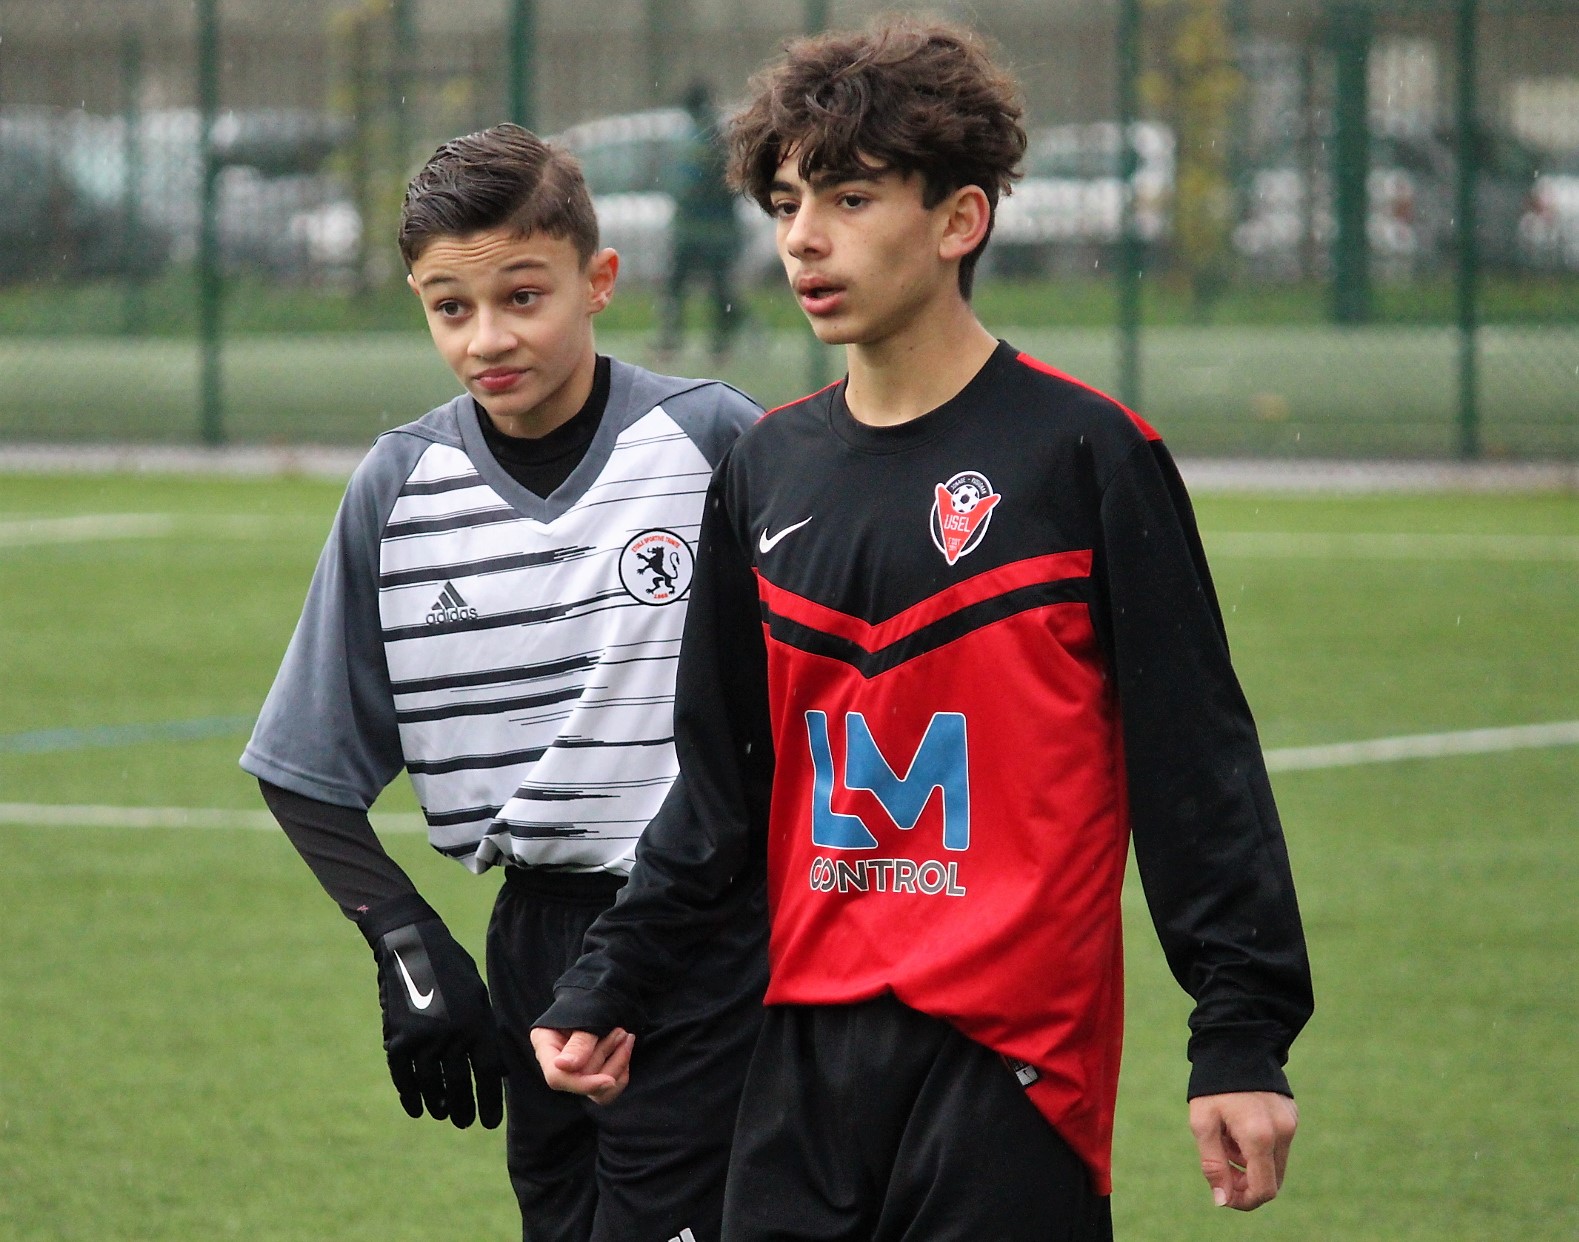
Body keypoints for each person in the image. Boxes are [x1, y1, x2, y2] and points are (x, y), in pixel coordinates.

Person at [532, 18, 1313, 1241]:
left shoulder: (1086, 457)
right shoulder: (766, 469)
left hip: (1008, 1065)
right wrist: (612, 977)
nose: (801, 236)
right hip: (795, 1051)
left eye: (848, 197)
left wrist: (1241, 1035)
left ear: (959, 221)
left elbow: (1195, 770)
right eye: (787, 199)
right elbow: (726, 788)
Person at [240, 123, 767, 1242]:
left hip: (707, 935)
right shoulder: (398, 487)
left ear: (598, 282)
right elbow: (301, 765)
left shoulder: (714, 441)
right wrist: (407, 943)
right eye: (449, 307)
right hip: (531, 937)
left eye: (523, 297)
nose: (488, 337)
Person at [657, 81, 746, 361]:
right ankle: (714, 340)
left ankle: (685, 340)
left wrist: (687, 195)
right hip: (707, 227)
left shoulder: (704, 137)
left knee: (687, 285)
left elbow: (703, 182)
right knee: (712, 286)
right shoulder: (710, 134)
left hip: (702, 227)